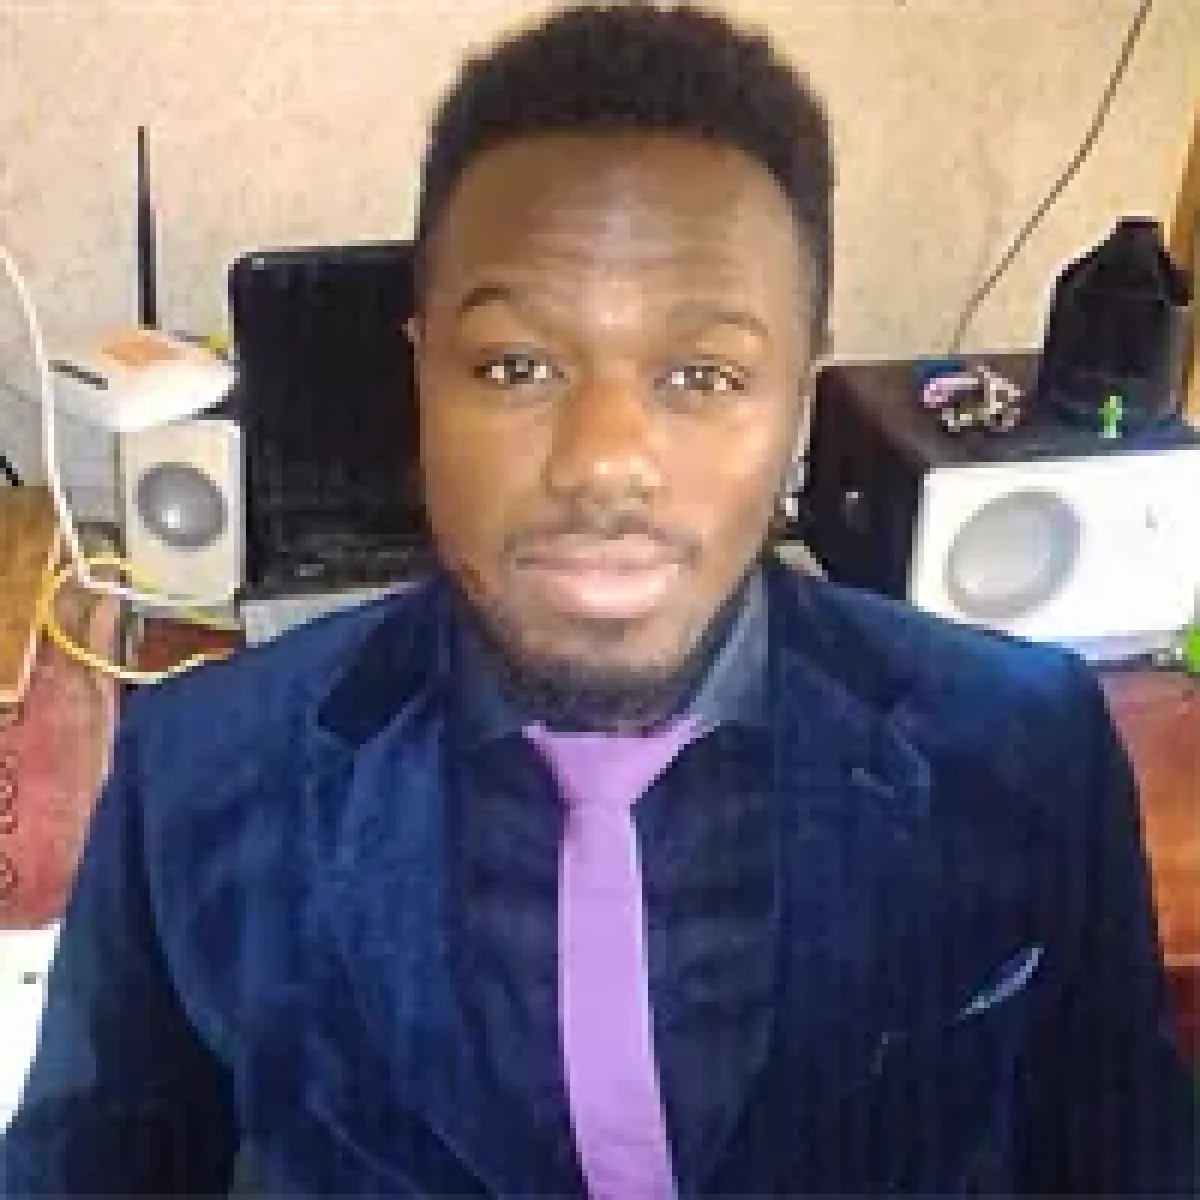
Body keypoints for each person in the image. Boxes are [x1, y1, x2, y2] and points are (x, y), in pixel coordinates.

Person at [3, 5, 1197, 1198]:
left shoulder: (1023, 746)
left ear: (799, 389)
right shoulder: (198, 779)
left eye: (704, 373)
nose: (603, 464)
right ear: (420, 371)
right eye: (516, 365)